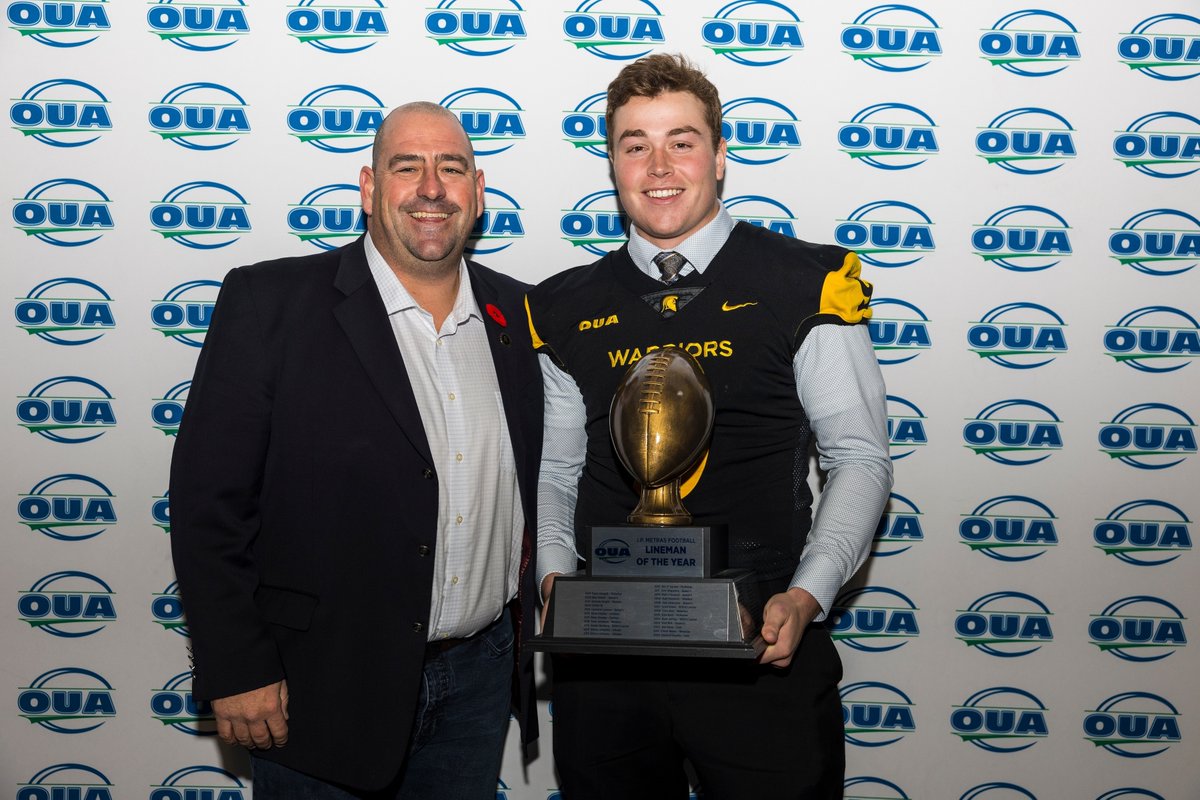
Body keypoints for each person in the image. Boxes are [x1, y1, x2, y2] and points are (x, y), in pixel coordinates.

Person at [525, 54, 892, 798]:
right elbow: (558, 471)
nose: (659, 165)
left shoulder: (806, 282)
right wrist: (555, 581)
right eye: (635, 144)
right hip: (606, 663)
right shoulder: (561, 306)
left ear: (719, 156)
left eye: (682, 141)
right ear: (613, 163)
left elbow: (859, 458)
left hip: (763, 652)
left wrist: (807, 595)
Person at [170, 102, 543, 799]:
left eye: (452, 168)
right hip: (319, 685)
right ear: (370, 189)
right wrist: (236, 665)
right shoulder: (269, 303)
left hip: (477, 683)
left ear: (479, 190)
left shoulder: (521, 317)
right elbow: (207, 505)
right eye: (408, 167)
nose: (432, 187)